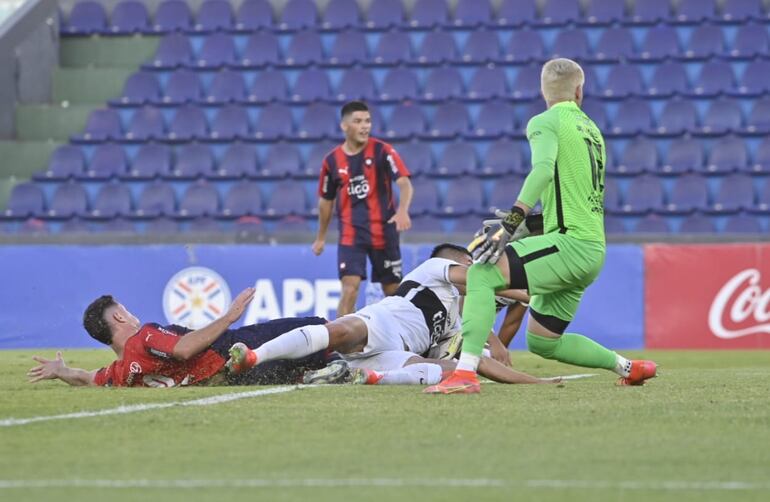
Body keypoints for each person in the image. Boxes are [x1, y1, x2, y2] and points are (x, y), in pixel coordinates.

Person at [426, 58, 657, 394]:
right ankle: (629, 367)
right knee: (543, 341)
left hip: (569, 244)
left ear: (542, 90)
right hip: (592, 249)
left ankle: (464, 374)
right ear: (579, 90)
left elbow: (543, 170)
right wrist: (539, 221)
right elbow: (571, 189)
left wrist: (512, 221)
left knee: (480, 273)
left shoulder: (544, 121)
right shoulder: (592, 130)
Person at [228, 244, 559, 386]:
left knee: (463, 369)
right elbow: (483, 282)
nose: (472, 270)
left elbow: (481, 360)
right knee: (342, 330)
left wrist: (538, 382)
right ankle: (253, 356)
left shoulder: (458, 322)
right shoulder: (434, 269)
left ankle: (363, 377)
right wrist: (530, 291)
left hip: (395, 355)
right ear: (455, 261)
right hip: (382, 323)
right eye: (468, 263)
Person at [26, 288, 338, 388]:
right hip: (228, 350)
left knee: (293, 366)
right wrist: (229, 316)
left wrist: (63, 372)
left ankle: (323, 372)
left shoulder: (123, 371)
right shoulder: (144, 335)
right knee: (322, 328)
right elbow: (185, 349)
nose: (131, 313)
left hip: (226, 378)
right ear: (119, 317)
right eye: (126, 309)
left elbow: (89, 377)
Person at [312, 100, 414, 317]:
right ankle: (338, 346)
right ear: (344, 126)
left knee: (393, 291)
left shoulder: (383, 151)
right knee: (349, 289)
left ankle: (405, 339)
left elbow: (404, 183)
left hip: (384, 231)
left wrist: (403, 210)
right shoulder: (332, 161)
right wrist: (321, 237)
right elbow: (326, 201)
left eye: (367, 121)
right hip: (351, 234)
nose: (365, 126)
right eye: (358, 121)